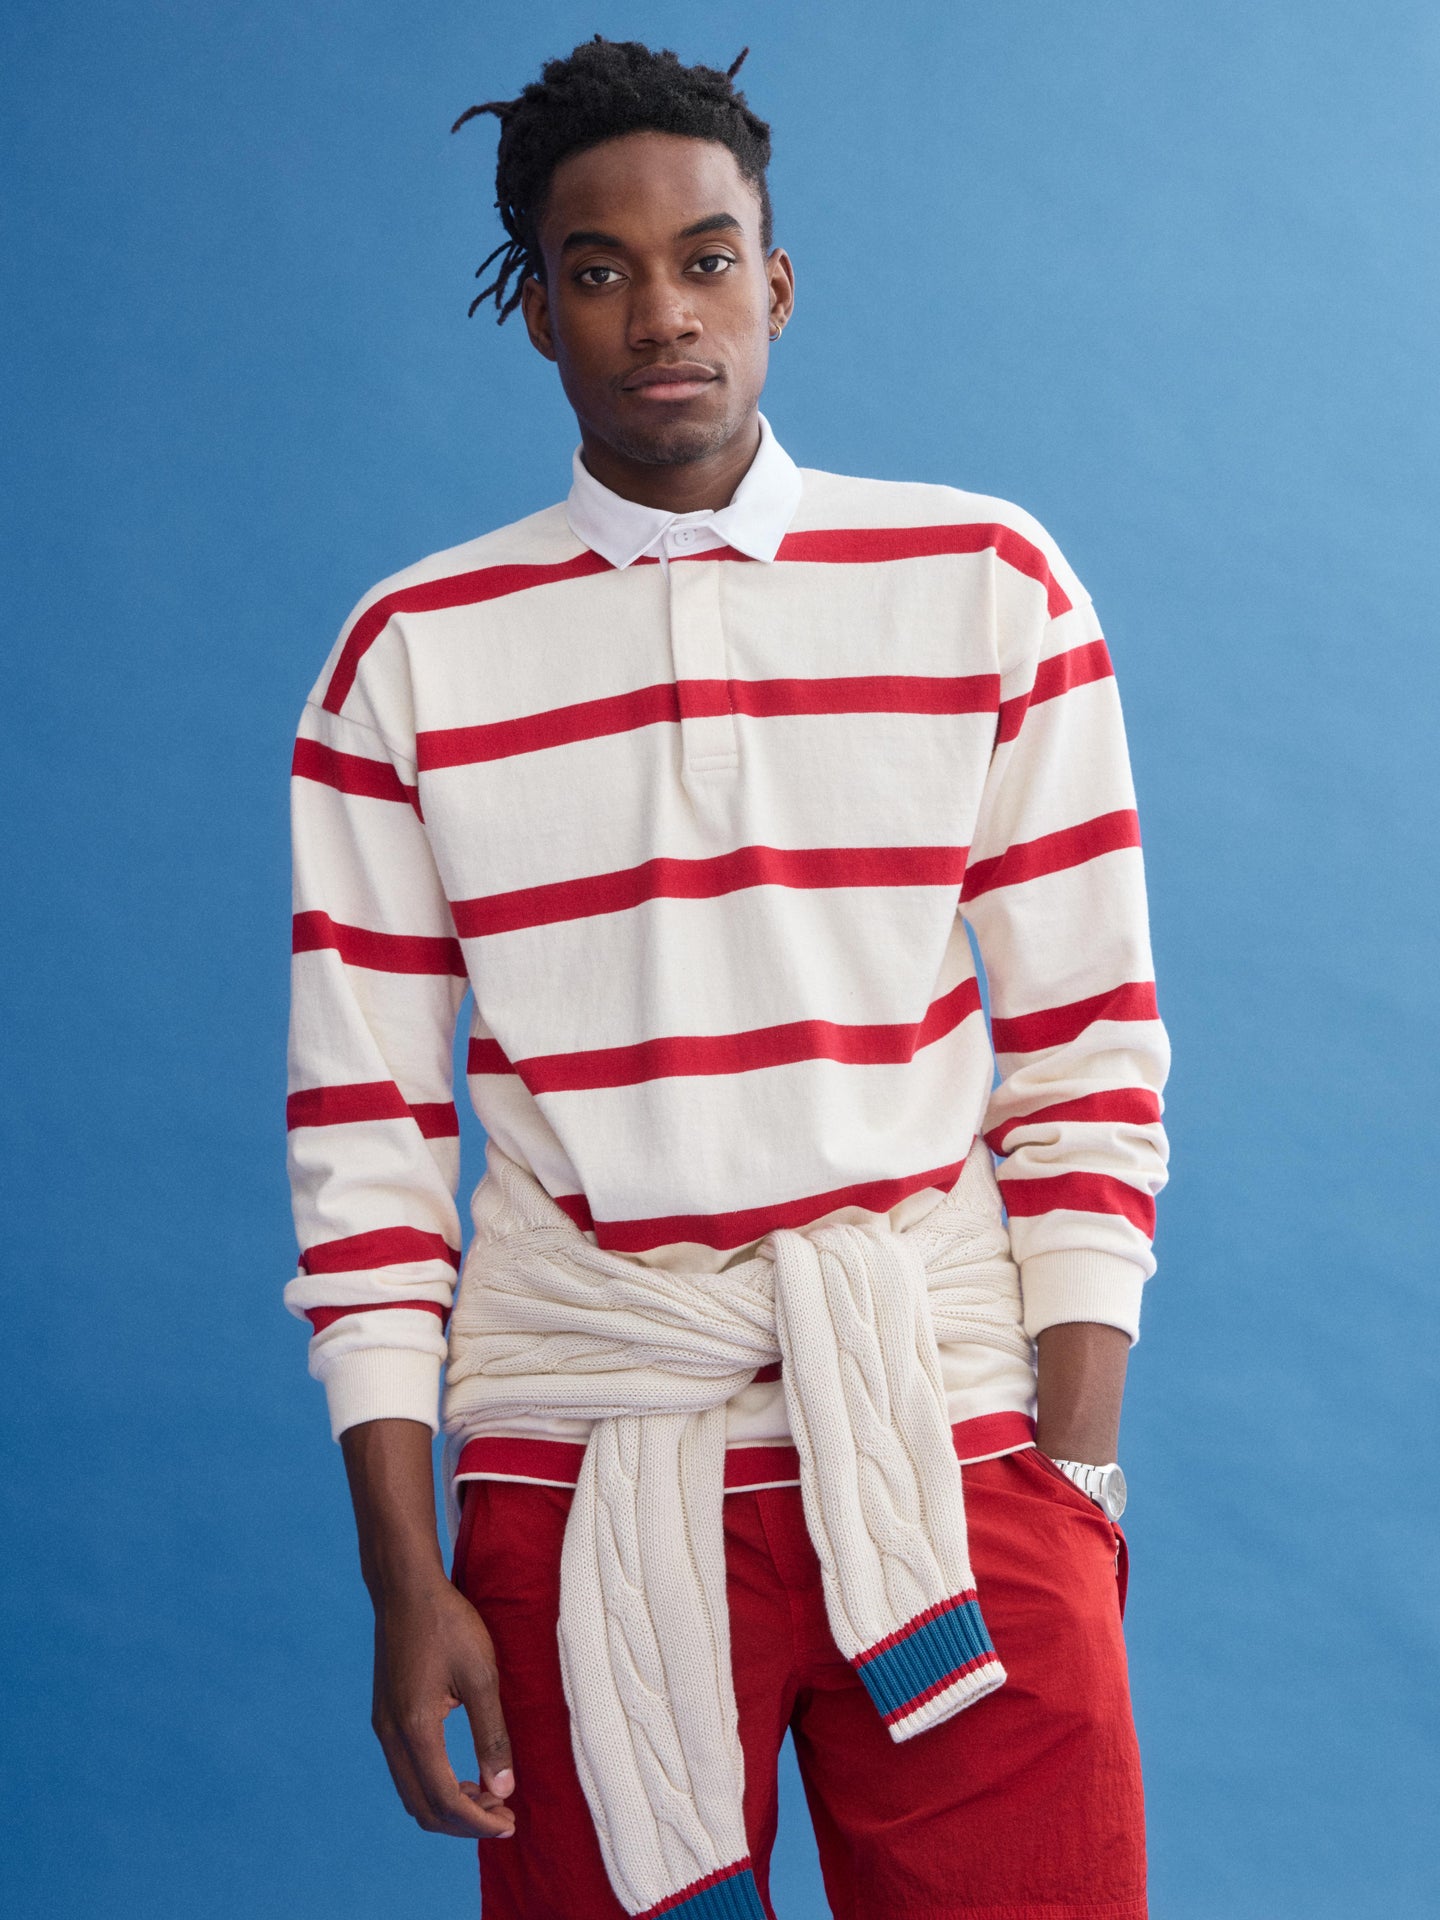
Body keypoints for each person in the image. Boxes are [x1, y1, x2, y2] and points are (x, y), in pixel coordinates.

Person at [284, 36, 1168, 1920]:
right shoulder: (409, 656)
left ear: (775, 283)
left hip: (940, 1433)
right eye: (598, 270)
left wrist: (1077, 1477)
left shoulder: (985, 581)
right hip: (578, 1449)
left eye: (703, 260)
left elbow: (1090, 1052)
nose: (660, 313)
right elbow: (366, 1145)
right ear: (538, 313)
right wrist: (403, 1578)